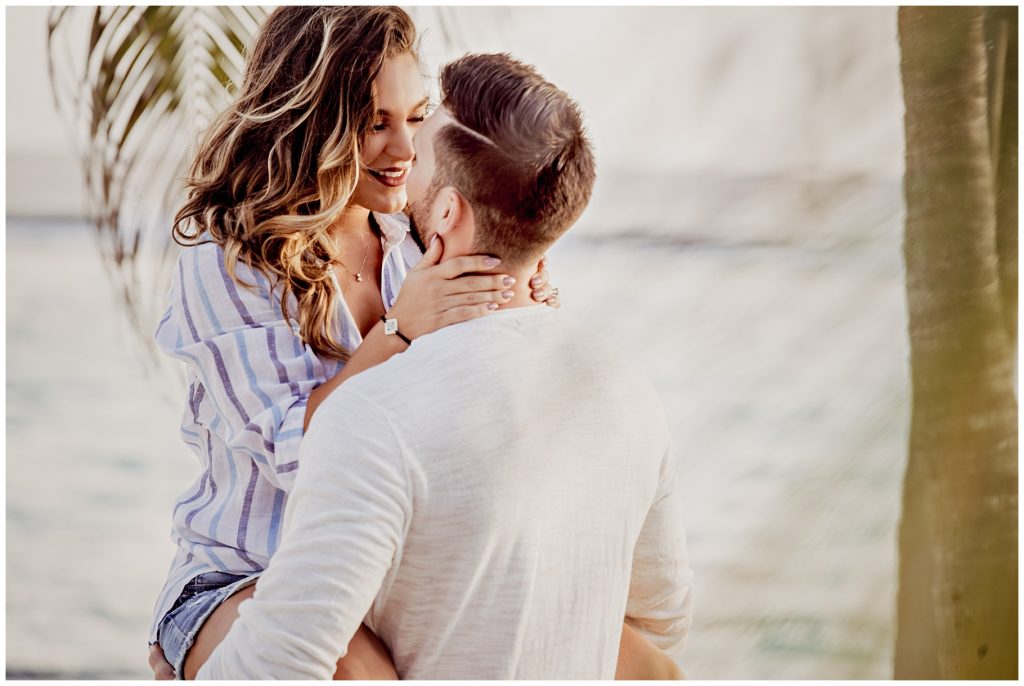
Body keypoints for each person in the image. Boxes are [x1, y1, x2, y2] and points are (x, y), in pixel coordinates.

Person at [147, 6, 672, 681]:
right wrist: (398, 333)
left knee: (642, 664)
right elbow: (294, 455)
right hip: (250, 574)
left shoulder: (415, 237)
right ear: (312, 124)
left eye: (417, 118)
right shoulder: (231, 262)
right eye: (376, 125)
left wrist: (524, 301)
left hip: (396, 579)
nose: (405, 150)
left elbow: (483, 396)